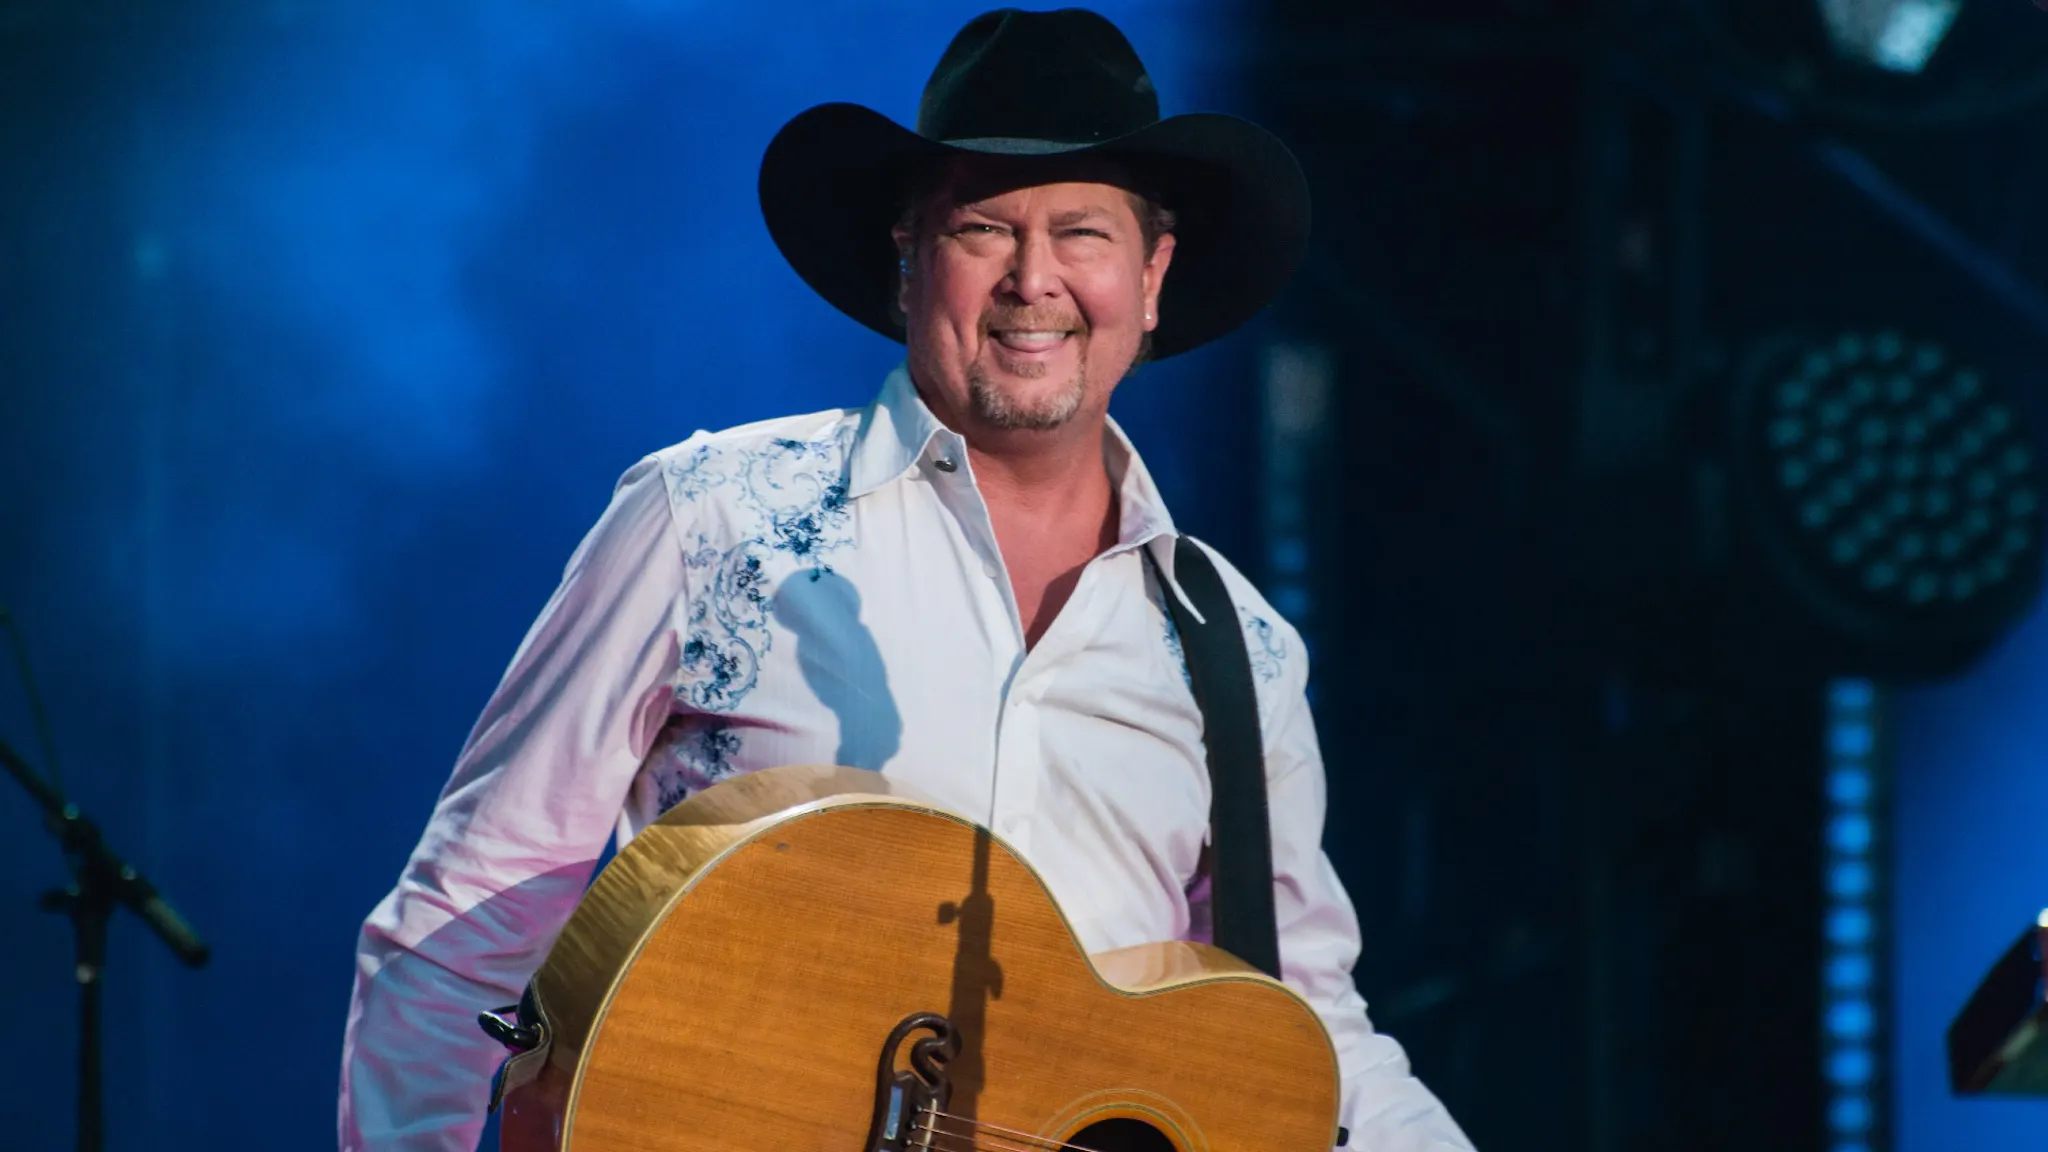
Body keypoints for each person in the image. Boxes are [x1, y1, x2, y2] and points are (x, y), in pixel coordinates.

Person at [339, 8, 1475, 1150]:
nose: (1034, 279)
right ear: (908, 258)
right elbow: (463, 923)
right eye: (984, 228)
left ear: (1152, 276)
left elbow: (1308, 1024)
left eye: (1081, 232)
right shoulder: (715, 517)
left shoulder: (1237, 648)